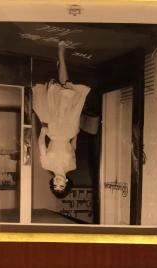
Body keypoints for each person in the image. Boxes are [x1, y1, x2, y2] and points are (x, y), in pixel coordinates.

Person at [32, 41, 91, 198]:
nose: (58, 183)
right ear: (66, 182)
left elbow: (41, 145)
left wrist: (43, 131)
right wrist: (76, 132)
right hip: (70, 129)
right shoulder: (72, 166)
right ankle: (61, 58)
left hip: (54, 129)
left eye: (55, 185)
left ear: (52, 182)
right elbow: (73, 147)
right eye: (61, 185)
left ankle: (61, 55)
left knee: (62, 92)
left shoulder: (46, 164)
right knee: (67, 91)